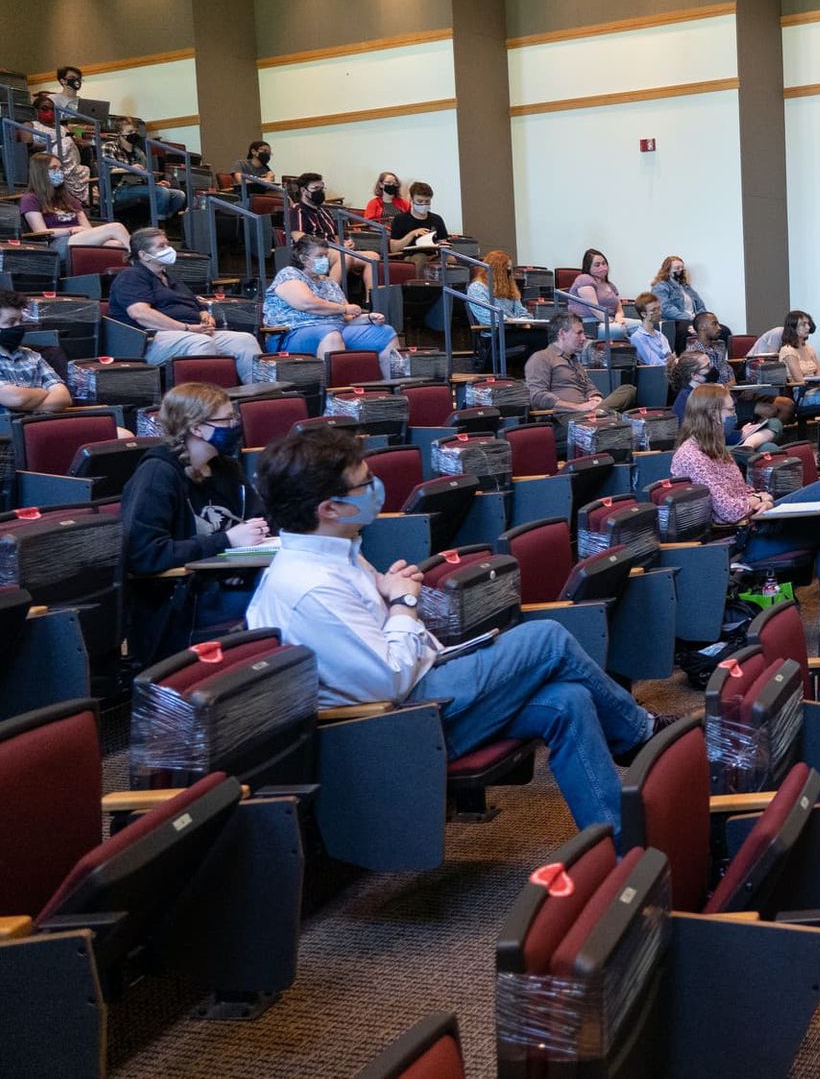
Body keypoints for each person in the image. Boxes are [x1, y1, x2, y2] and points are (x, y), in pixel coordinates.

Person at [246, 425, 663, 837]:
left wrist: (394, 597)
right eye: (364, 484)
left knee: (568, 700)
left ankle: (620, 843)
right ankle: (640, 733)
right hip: (401, 721)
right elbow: (388, 680)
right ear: (328, 508)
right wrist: (403, 603)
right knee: (547, 637)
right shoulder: (310, 585)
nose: (376, 488)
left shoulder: (340, 552)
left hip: (428, 687)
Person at [121, 383, 269, 668]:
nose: (235, 425)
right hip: (180, 602)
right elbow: (143, 554)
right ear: (197, 429)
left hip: (231, 582)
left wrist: (263, 530)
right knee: (281, 605)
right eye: (226, 420)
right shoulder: (156, 475)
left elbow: (256, 518)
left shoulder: (226, 467)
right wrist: (225, 541)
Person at [672, 383, 820, 578]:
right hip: (738, 541)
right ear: (713, 414)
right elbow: (729, 511)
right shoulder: (692, 456)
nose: (735, 415)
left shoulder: (715, 448)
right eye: (730, 410)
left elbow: (745, 491)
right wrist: (758, 500)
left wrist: (762, 499)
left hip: (756, 525)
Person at [110, 227, 263, 377]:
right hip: (150, 340)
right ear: (144, 255)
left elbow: (196, 303)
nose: (169, 249)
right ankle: (202, 400)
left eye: (168, 244)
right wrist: (187, 328)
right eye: (161, 246)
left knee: (244, 340)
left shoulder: (170, 278)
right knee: (202, 343)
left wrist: (204, 315)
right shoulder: (131, 276)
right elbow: (140, 313)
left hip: (191, 332)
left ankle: (259, 393)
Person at [263, 234, 401, 375]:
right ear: (303, 259)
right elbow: (308, 303)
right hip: (291, 334)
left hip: (336, 329)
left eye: (326, 256)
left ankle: (395, 386)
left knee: (384, 332)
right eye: (320, 256)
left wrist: (367, 318)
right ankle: (331, 393)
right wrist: (344, 308)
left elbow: (346, 318)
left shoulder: (329, 283)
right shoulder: (290, 275)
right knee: (331, 334)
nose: (325, 260)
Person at [286, 172, 378, 295]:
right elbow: (298, 237)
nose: (320, 192)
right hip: (312, 253)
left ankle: (370, 301)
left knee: (373, 257)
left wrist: (345, 243)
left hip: (333, 250)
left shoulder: (326, 213)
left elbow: (334, 237)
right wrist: (327, 246)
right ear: (304, 191)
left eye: (322, 188)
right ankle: (329, 296)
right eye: (315, 189)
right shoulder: (297, 210)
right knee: (344, 257)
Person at [526, 313, 635, 415]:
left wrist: (595, 396)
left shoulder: (574, 359)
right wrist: (577, 407)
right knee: (624, 418)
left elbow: (588, 385)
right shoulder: (541, 357)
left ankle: (599, 413)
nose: (583, 338)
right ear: (562, 333)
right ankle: (602, 414)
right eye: (579, 333)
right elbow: (537, 396)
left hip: (587, 411)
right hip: (564, 416)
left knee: (628, 389)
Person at [20, 151, 130, 251]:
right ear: (41, 172)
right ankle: (141, 261)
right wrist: (70, 230)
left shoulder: (68, 198)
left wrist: (81, 230)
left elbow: (86, 227)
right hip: (57, 243)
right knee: (116, 227)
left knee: (116, 245)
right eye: (54, 168)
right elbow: (40, 232)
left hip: (80, 238)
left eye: (60, 168)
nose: (59, 172)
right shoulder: (30, 198)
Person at [668, 353, 779, 449]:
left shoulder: (705, 390)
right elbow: (705, 436)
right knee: (769, 442)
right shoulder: (691, 399)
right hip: (709, 447)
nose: (712, 368)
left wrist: (742, 433)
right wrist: (741, 435)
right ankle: (747, 446)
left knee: (772, 432)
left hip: (724, 438)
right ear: (695, 375)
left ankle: (748, 446)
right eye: (707, 366)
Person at [0, 289, 74, 416]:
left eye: (20, 321)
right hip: (7, 433)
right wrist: (42, 392)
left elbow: (63, 398)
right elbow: (15, 397)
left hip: (42, 428)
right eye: (11, 322)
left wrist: (22, 405)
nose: (18, 326)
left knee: (119, 432)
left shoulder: (33, 356)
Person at [467, 248, 541, 372]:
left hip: (512, 330)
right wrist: (510, 320)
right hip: (494, 335)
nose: (509, 272)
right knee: (540, 338)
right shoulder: (477, 288)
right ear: (497, 269)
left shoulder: (508, 288)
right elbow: (487, 317)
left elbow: (520, 310)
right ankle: (518, 366)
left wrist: (526, 319)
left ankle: (519, 365)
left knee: (545, 335)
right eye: (506, 268)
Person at [107, 117, 187, 226]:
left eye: (135, 131)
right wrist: (129, 168)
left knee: (178, 195)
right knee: (162, 192)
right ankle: (157, 226)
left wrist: (156, 184)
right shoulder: (110, 147)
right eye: (130, 132)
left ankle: (158, 221)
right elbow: (107, 170)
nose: (134, 134)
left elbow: (144, 174)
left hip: (139, 186)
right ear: (119, 133)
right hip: (119, 189)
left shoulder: (139, 152)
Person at [28, 91, 92, 202]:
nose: (50, 112)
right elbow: (29, 145)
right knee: (65, 141)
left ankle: (85, 194)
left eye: (53, 109)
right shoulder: (30, 125)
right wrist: (55, 142)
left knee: (84, 152)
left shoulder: (63, 127)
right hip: (47, 157)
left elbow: (77, 139)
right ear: (36, 110)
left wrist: (81, 139)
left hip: (70, 160)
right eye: (45, 109)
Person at [567, 248, 639, 340]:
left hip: (611, 320)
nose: (602, 267)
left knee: (640, 326)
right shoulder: (584, 279)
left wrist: (619, 317)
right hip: (590, 323)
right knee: (619, 329)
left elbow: (619, 308)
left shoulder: (610, 285)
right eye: (597, 265)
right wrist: (612, 322)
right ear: (588, 267)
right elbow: (595, 309)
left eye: (604, 263)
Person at [390, 180, 449, 252]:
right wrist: (412, 234)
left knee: (450, 258)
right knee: (420, 257)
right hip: (410, 257)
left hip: (433, 256)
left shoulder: (437, 219)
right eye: (420, 201)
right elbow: (393, 248)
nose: (424, 204)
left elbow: (442, 242)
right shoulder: (400, 219)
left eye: (427, 201)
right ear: (411, 200)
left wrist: (442, 244)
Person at [650, 255, 706, 325]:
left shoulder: (686, 287)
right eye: (677, 268)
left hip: (694, 321)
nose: (680, 270)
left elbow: (701, 306)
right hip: (674, 323)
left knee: (722, 330)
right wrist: (690, 318)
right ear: (667, 270)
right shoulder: (660, 286)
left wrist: (698, 318)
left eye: (682, 268)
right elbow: (665, 309)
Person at [628, 291, 675, 370]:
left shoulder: (660, 335)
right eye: (653, 310)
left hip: (669, 372)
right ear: (643, 314)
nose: (659, 312)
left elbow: (670, 358)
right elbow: (654, 363)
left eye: (659, 308)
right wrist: (670, 361)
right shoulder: (637, 338)